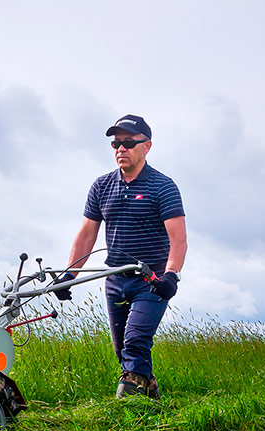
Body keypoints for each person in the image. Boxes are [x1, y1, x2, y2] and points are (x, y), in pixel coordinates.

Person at [55, 114, 187, 399]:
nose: (120, 149)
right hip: (115, 279)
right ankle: (152, 403)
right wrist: (69, 274)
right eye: (116, 143)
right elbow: (87, 234)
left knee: (136, 341)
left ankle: (126, 410)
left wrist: (171, 276)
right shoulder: (102, 186)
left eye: (128, 142)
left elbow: (178, 239)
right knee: (123, 352)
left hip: (150, 280)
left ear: (147, 146)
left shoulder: (163, 187)